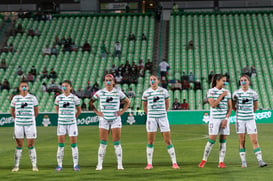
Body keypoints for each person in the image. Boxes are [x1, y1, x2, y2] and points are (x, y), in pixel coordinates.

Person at [89, 74, 130, 170]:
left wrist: (122, 111)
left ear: (113, 82)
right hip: (104, 120)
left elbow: (128, 102)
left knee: (117, 142)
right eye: (106, 80)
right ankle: (99, 164)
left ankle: (120, 164)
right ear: (104, 82)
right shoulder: (100, 92)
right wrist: (97, 112)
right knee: (103, 143)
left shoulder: (118, 93)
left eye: (110, 80)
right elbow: (91, 102)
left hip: (115, 120)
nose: (108, 82)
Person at [142, 75, 179, 169]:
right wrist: (149, 115)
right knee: (150, 141)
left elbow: (167, 103)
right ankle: (149, 164)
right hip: (151, 119)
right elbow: (144, 105)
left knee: (168, 140)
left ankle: (174, 163)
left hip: (163, 118)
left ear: (158, 80)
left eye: (154, 79)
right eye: (151, 80)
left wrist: (162, 112)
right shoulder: (146, 93)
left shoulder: (164, 91)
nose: (152, 81)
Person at [232, 75, 267, 168]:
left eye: (245, 80)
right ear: (240, 82)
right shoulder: (236, 93)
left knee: (254, 140)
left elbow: (255, 106)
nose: (243, 82)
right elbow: (232, 105)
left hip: (250, 120)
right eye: (241, 80)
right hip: (240, 120)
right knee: (242, 141)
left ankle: (260, 160)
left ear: (249, 82)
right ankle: (243, 162)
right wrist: (238, 112)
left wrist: (249, 113)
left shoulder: (253, 93)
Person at [198, 74, 232, 168]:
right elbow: (213, 104)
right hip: (214, 120)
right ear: (217, 81)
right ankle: (204, 160)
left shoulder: (227, 92)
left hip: (224, 120)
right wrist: (221, 96)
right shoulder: (211, 91)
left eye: (225, 80)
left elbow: (230, 108)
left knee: (223, 141)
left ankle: (221, 162)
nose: (225, 82)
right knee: (211, 141)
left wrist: (226, 119)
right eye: (223, 80)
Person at [10, 80, 39, 172]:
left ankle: (34, 166)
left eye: (25, 86)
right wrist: (17, 119)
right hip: (19, 125)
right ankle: (16, 166)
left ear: (28, 87)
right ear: (19, 88)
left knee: (30, 144)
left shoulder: (33, 98)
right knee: (19, 144)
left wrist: (31, 119)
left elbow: (36, 111)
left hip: (30, 125)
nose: (24, 88)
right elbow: (12, 111)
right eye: (22, 86)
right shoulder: (15, 98)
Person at [55, 80, 81, 171]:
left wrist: (73, 118)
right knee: (61, 145)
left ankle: (76, 165)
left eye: (66, 86)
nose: (64, 88)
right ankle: (59, 165)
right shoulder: (58, 98)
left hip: (72, 124)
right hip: (61, 124)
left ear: (71, 87)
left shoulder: (75, 98)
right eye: (63, 86)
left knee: (73, 145)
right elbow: (57, 109)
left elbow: (79, 110)